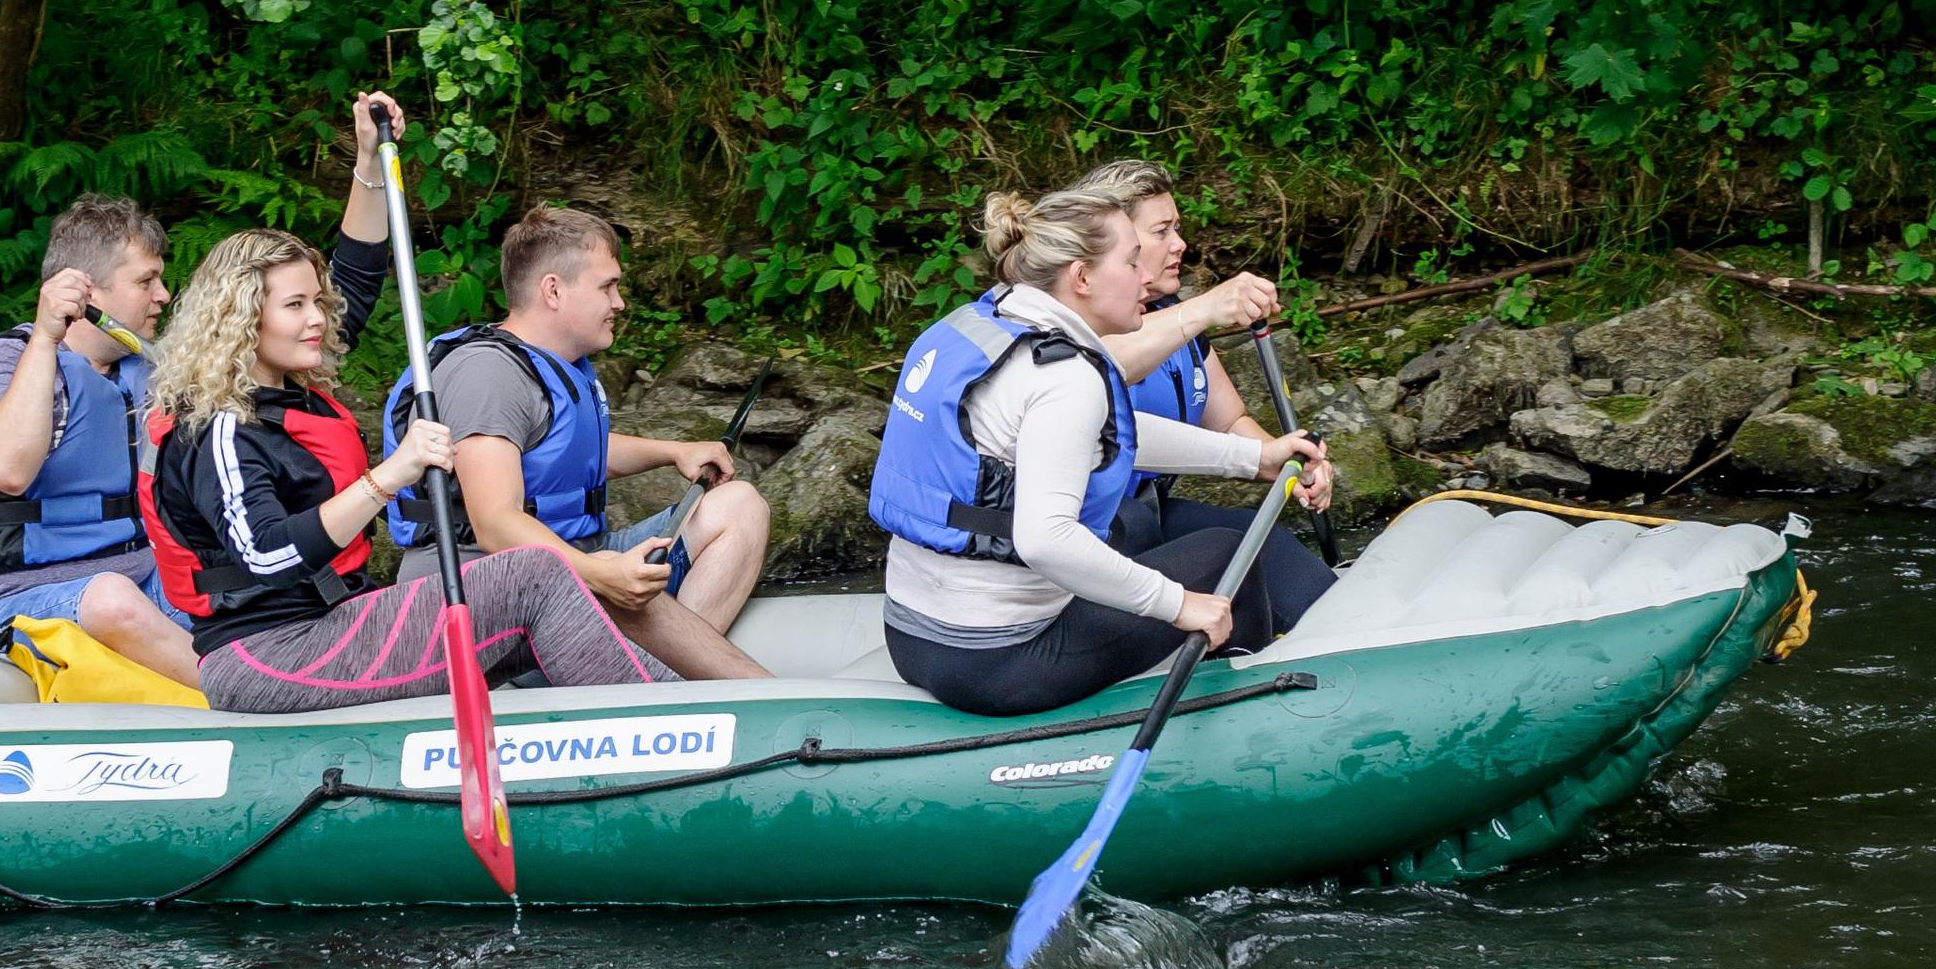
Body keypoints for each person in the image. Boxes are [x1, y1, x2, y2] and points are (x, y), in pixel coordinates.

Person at [142, 99, 674, 715]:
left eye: (317, 303)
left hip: (336, 621)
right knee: (533, 572)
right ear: (242, 320)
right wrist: (388, 477)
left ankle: (678, 708)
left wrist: (370, 160)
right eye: (295, 306)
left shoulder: (288, 384)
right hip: (272, 654)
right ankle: (665, 720)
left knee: (539, 578)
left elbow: (356, 275)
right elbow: (265, 554)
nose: (318, 319)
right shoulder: (217, 428)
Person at [869, 183, 1330, 719]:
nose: (1145, 278)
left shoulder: (986, 325)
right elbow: (1045, 540)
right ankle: (1256, 714)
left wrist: (1253, 458)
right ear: (1082, 278)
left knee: (1137, 527)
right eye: (1132, 261)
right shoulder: (1065, 376)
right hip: (999, 661)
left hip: (912, 640)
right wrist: (1179, 605)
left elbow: (1104, 433)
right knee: (1227, 553)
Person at [378, 204, 771, 681]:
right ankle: (700, 685)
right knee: (602, 565)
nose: (619, 303)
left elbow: (567, 457)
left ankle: (665, 675)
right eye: (607, 286)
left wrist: (672, 452)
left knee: (740, 505)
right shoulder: (488, 375)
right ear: (553, 290)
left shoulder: (556, 362)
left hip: (574, 560)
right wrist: (602, 574)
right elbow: (495, 523)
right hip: (491, 594)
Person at [0, 193, 199, 686]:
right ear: (87, 291)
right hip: (4, 609)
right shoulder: (1, 363)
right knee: (110, 599)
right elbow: (9, 469)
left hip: (144, 583)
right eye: (146, 281)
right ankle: (248, 696)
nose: (163, 295)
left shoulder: (143, 372)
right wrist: (46, 339)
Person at [1050, 157, 1338, 623]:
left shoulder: (1172, 312)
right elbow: (1099, 364)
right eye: (1161, 231)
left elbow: (1227, 421)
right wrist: (1205, 308)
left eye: (1177, 228)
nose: (1179, 244)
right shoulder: (1071, 328)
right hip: (1084, 534)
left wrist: (1287, 460)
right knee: (1226, 557)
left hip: (1146, 513)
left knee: (1270, 548)